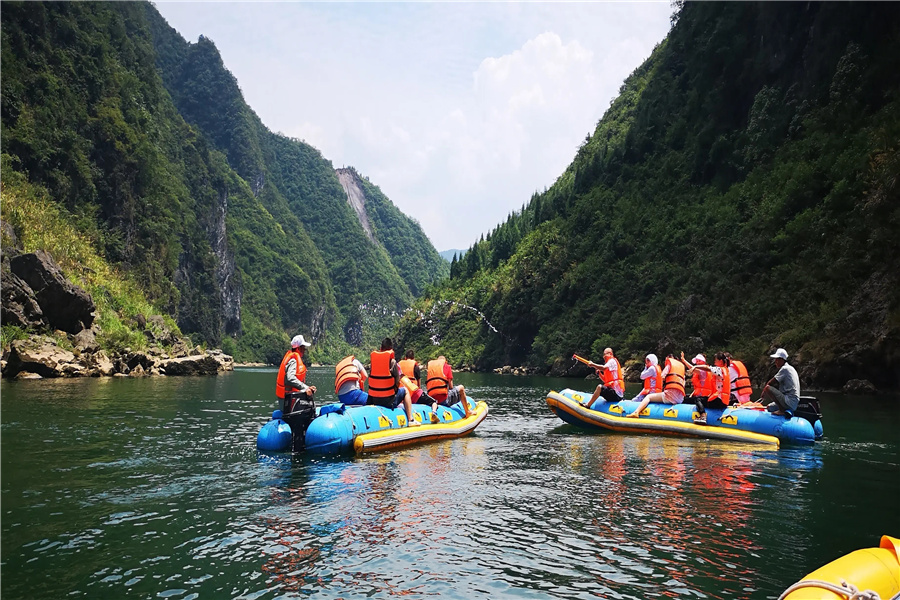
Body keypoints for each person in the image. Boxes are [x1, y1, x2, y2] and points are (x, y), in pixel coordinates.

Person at [367, 338, 420, 427]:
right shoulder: (392, 362)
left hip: (374, 399)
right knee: (405, 390)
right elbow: (397, 382)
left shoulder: (374, 362)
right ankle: (410, 419)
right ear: (391, 349)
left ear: (381, 348)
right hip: (388, 401)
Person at [688, 351, 733, 425]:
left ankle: (703, 416)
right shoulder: (726, 370)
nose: (714, 363)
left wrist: (695, 366)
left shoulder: (719, 370)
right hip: (724, 401)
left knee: (698, 399)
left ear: (720, 361)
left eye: (715, 361)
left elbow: (707, 368)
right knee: (703, 398)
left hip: (719, 401)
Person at [276, 334, 317, 414]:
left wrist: (307, 388)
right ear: (298, 348)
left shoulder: (293, 358)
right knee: (311, 407)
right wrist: (305, 388)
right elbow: (290, 378)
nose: (304, 350)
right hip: (287, 401)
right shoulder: (293, 360)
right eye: (303, 347)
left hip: (289, 398)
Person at [760, 348, 800, 416]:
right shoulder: (791, 368)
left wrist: (764, 392)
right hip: (793, 403)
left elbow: (770, 383)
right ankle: (781, 411)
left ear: (782, 359)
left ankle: (781, 411)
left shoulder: (785, 369)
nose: (775, 361)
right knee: (769, 407)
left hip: (789, 401)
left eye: (777, 359)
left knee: (767, 388)